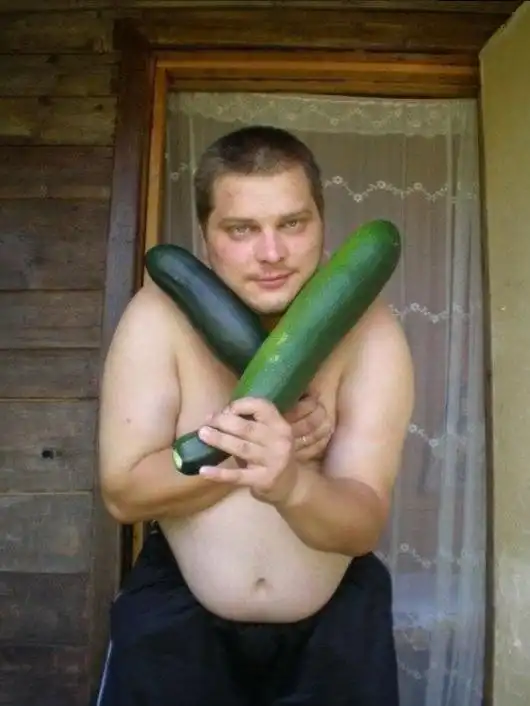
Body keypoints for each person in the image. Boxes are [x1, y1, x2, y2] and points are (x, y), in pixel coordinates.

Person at [96, 125, 414, 706]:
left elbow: (363, 525)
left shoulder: (372, 329)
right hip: (178, 627)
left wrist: (290, 483)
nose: (271, 254)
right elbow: (124, 494)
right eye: (241, 229)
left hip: (335, 639)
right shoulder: (158, 316)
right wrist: (242, 445)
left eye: (292, 224)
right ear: (206, 236)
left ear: (323, 223)